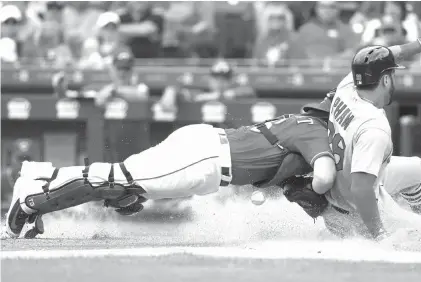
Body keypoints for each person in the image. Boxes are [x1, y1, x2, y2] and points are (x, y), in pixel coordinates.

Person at [4, 94, 336, 239]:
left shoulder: (305, 122)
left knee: (124, 186)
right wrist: (314, 188)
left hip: (207, 154)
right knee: (119, 180)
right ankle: (33, 194)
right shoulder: (315, 129)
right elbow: (323, 176)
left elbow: (276, 164)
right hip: (207, 157)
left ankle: (39, 185)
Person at [306, 33, 421, 240]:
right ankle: (350, 230)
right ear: (385, 80)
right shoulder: (374, 127)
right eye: (393, 75)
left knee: (415, 166)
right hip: (354, 207)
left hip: (343, 183)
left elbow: (388, 55)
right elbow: (361, 189)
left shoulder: (347, 86)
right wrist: (379, 235)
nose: (394, 79)